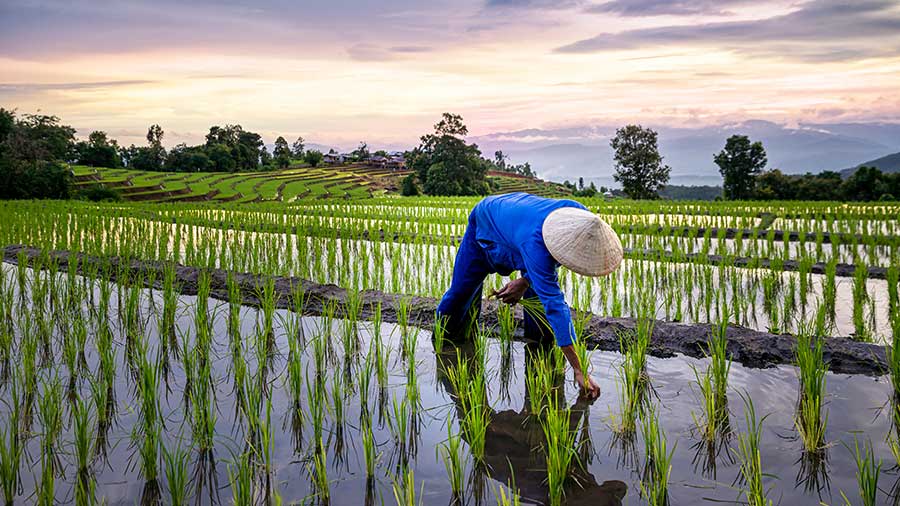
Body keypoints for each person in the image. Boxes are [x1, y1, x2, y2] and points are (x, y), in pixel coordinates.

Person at [436, 192, 623, 399]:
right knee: (461, 294)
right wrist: (580, 370)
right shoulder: (535, 244)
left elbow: (552, 258)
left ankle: (540, 348)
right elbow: (555, 305)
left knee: (538, 303)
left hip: (520, 228)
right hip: (487, 222)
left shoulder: (580, 218)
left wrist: (525, 281)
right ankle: (445, 342)